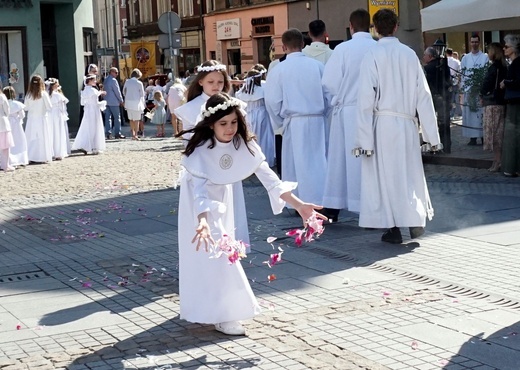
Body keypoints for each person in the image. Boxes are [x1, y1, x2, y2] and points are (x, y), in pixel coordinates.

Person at [176, 92, 326, 335]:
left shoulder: (243, 145)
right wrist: (202, 221)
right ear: (211, 124)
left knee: (221, 255)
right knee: (215, 255)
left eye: (234, 122)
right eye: (223, 124)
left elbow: (270, 180)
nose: (230, 128)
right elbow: (199, 193)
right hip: (199, 205)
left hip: (222, 199)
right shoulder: (200, 152)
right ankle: (225, 312)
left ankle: (223, 312)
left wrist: (299, 205)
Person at [355, 9, 442, 244]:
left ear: (375, 28)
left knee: (385, 177)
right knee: (409, 173)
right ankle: (414, 221)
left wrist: (363, 140)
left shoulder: (372, 55)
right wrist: (432, 137)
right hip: (406, 124)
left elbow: (364, 100)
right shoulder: (409, 55)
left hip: (381, 125)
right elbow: (423, 96)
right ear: (396, 27)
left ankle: (392, 227)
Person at [174, 60, 252, 244]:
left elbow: (241, 136)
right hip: (203, 169)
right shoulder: (190, 109)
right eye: (211, 82)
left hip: (228, 164)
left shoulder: (233, 105)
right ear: (200, 81)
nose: (216, 86)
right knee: (207, 209)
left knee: (231, 210)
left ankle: (233, 246)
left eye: (220, 82)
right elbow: (190, 144)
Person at [321, 9, 376, 222]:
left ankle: (334, 205)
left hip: (348, 111)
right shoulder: (377, 48)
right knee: (368, 161)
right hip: (372, 111)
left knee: (340, 162)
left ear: (350, 26)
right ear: (369, 26)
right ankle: (370, 206)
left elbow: (329, 82)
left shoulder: (343, 49)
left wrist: (338, 98)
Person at [265, 28, 329, 206]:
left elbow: (271, 101)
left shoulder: (279, 69)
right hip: (317, 120)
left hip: (294, 121)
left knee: (295, 163)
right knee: (318, 161)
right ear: (303, 44)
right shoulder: (317, 66)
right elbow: (329, 95)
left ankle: (298, 202)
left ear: (283, 47)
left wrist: (280, 122)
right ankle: (321, 199)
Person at [236, 68, 275, 167]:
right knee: (264, 138)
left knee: (249, 139)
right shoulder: (263, 89)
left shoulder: (242, 92)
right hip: (262, 115)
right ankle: (264, 160)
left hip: (247, 115)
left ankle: (250, 162)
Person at [480, 42, 507, 172]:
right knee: (499, 133)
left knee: (495, 135)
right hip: (501, 102)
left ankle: (497, 161)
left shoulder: (494, 67)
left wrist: (482, 93)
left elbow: (487, 84)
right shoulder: (504, 66)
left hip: (493, 103)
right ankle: (498, 160)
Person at [460, 33, 488, 145]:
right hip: (469, 90)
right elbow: (463, 74)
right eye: (472, 42)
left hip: (479, 90)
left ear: (479, 43)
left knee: (480, 115)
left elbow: (486, 73)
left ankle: (482, 137)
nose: (474, 44)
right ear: (470, 43)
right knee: (470, 115)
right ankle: (472, 138)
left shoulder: (485, 57)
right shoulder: (465, 58)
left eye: (476, 42)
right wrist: (463, 88)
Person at [423, 46, 452, 152]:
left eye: (425, 55)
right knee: (444, 123)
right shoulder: (444, 67)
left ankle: (435, 145)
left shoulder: (427, 69)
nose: (423, 57)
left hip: (434, 98)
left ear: (430, 56)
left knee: (433, 123)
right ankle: (446, 145)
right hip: (444, 97)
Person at [500, 34, 520, 177]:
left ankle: (513, 167)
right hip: (513, 102)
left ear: (513, 48)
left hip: (516, 103)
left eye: (506, 46)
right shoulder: (514, 63)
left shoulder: (518, 63)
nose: (504, 49)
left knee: (513, 135)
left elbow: (518, 82)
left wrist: (505, 82)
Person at [72, 74, 107, 155]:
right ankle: (94, 146)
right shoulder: (92, 90)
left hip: (88, 111)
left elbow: (82, 103)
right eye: (94, 80)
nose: (95, 81)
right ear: (89, 81)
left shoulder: (84, 91)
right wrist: (102, 94)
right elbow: (96, 98)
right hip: (93, 110)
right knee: (94, 127)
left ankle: (87, 145)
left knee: (87, 127)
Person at [24, 75, 53, 164]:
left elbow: (26, 108)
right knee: (42, 137)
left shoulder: (28, 95)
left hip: (32, 119)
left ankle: (31, 156)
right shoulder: (43, 94)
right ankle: (42, 156)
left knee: (31, 138)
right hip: (42, 119)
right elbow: (49, 107)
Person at [3, 86, 28, 168]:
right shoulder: (17, 104)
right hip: (16, 125)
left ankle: (8, 160)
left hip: (7, 124)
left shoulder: (4, 103)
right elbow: (22, 115)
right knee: (18, 142)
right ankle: (19, 159)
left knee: (7, 143)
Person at [46, 78, 70, 161]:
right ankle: (58, 152)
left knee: (51, 132)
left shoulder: (46, 94)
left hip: (49, 114)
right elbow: (63, 107)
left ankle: (51, 151)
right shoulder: (58, 95)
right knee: (58, 132)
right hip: (57, 114)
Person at [123, 68, 146, 141]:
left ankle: (133, 134)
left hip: (128, 102)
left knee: (131, 119)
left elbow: (124, 91)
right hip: (136, 103)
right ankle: (136, 134)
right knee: (137, 120)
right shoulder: (139, 83)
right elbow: (142, 94)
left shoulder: (127, 82)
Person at [103, 67, 125, 140]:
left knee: (107, 118)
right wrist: (121, 100)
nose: (117, 74)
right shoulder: (113, 80)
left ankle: (108, 133)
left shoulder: (105, 80)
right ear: (111, 72)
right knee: (116, 118)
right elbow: (117, 91)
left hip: (106, 101)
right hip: (114, 102)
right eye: (116, 72)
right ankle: (117, 133)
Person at [0, 85, 15, 172]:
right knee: (5, 146)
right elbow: (7, 109)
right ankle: (5, 165)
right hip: (2, 122)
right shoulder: (2, 96)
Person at [446, 48, 462, 119]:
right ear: (452, 53)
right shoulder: (457, 62)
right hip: (455, 81)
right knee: (456, 98)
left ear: (446, 53)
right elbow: (460, 72)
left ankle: (451, 114)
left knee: (450, 99)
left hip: (447, 82)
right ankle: (456, 113)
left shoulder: (444, 61)